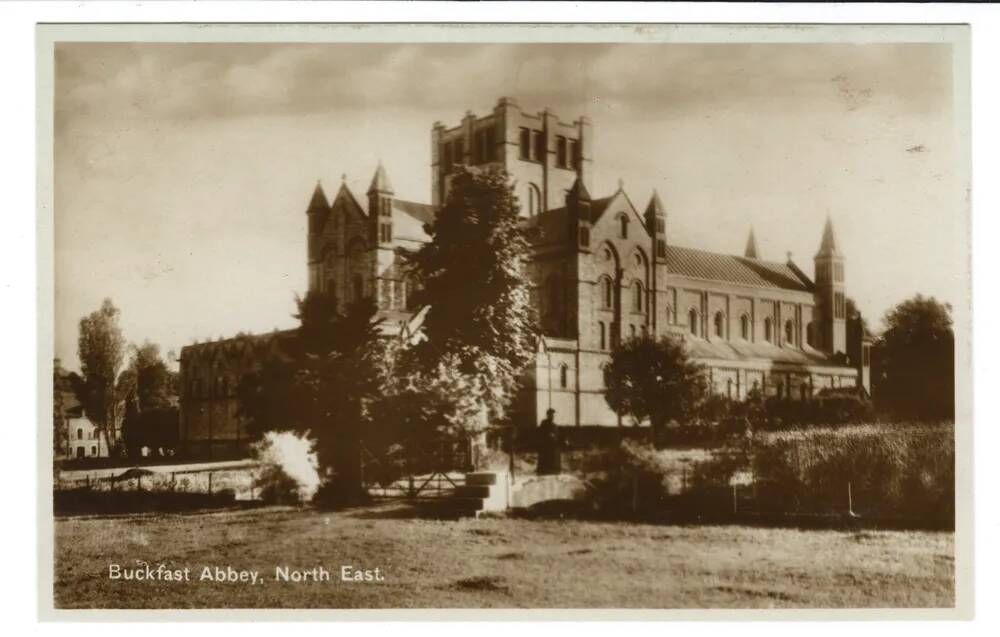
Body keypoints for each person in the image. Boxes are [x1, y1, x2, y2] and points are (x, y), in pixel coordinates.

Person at [536, 408, 561, 475]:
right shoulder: (544, 423)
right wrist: (549, 435)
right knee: (547, 452)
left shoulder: (554, 425)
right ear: (548, 415)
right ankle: (545, 469)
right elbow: (542, 434)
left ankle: (554, 468)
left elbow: (556, 436)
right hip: (545, 445)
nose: (552, 416)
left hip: (553, 445)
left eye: (553, 415)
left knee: (556, 450)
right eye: (551, 415)